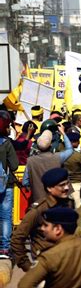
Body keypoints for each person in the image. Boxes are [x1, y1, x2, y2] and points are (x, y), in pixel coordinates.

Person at [11, 168, 74, 271]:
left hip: (67, 266)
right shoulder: (38, 210)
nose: (67, 188)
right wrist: (28, 267)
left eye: (67, 184)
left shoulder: (69, 204)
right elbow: (17, 239)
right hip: (45, 268)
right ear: (49, 188)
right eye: (62, 185)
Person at [23, 125, 73, 204]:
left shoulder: (30, 161)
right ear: (50, 145)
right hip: (57, 199)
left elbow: (25, 182)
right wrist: (63, 133)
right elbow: (70, 149)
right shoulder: (58, 157)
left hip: (38, 200)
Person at [0, 110, 18, 259]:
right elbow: (14, 166)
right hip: (6, 185)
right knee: (5, 217)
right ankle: (5, 249)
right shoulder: (6, 143)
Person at [63, 132, 81, 207]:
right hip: (77, 185)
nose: (79, 142)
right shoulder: (78, 156)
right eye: (77, 141)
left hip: (64, 184)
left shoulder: (60, 154)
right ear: (71, 142)